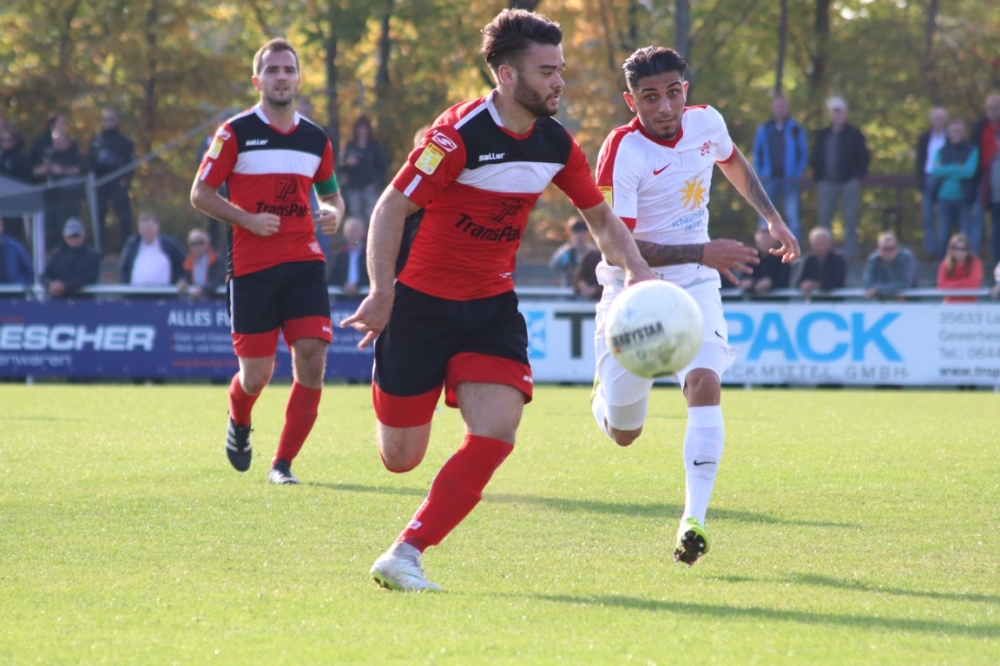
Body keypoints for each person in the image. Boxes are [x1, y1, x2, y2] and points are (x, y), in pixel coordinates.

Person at [340, 9, 656, 592]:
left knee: (497, 433)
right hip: (418, 307)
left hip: (489, 309)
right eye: (547, 71)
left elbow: (601, 219)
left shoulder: (556, 142)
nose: (560, 81)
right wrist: (382, 293)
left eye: (561, 69)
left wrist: (638, 271)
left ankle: (406, 553)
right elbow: (389, 207)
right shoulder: (457, 135)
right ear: (508, 75)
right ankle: (398, 383)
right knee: (401, 458)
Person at [589, 45, 796, 567]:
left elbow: (731, 160)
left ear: (686, 90)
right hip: (633, 291)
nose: (663, 107)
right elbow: (616, 246)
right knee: (624, 433)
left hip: (696, 283)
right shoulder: (622, 151)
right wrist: (703, 251)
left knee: (704, 381)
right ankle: (602, 399)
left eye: (672, 93)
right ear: (631, 101)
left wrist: (771, 217)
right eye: (649, 97)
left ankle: (693, 520)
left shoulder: (707, 122)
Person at [190, 38, 345, 485]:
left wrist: (334, 213)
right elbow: (200, 194)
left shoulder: (315, 138)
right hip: (252, 268)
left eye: (289, 70)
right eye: (273, 70)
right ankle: (239, 418)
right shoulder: (234, 133)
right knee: (256, 376)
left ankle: (282, 464)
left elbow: (332, 196)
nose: (281, 77)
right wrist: (247, 220)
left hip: (304, 262)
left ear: (299, 79)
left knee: (312, 359)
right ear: (257, 81)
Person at [812, 96, 870, 259]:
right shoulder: (823, 134)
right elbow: (815, 155)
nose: (837, 115)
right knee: (824, 218)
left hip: (849, 182)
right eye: (834, 112)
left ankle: (850, 251)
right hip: (826, 182)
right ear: (830, 114)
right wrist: (818, 176)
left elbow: (864, 157)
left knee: (850, 218)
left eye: (840, 112)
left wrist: (857, 176)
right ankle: (825, 252)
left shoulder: (854, 134)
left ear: (845, 113)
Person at [751, 95, 808, 243]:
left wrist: (797, 173)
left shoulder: (795, 129)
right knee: (765, 215)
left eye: (782, 107)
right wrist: (760, 173)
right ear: (772, 108)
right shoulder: (764, 129)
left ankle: (795, 249)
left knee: (792, 216)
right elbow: (757, 153)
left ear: (787, 108)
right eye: (777, 107)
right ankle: (765, 249)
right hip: (768, 179)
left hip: (789, 179)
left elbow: (803, 154)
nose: (780, 110)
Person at [32, 124, 86, 249]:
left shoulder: (74, 154)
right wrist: (44, 170)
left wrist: (61, 170)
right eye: (55, 142)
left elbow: (80, 169)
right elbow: (35, 171)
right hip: (51, 198)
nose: (58, 145)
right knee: (51, 226)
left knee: (68, 224)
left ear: (67, 141)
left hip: (69, 199)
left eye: (60, 141)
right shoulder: (48, 155)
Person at [89, 107, 135, 253]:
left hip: (118, 183)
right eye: (105, 119)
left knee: (123, 216)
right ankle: (101, 248)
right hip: (100, 184)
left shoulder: (125, 142)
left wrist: (126, 179)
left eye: (111, 119)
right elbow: (90, 162)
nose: (108, 122)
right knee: (99, 216)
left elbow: (131, 163)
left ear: (117, 121)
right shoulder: (96, 141)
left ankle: (126, 247)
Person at [930, 119, 978, 257]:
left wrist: (946, 170)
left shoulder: (972, 150)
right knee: (943, 235)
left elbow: (969, 172)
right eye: (953, 131)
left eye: (959, 131)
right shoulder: (941, 151)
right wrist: (957, 167)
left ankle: (967, 266)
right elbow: (935, 171)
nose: (956, 134)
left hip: (964, 198)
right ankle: (943, 266)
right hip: (943, 198)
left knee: (964, 236)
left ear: (964, 133)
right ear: (948, 133)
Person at [914, 107, 949, 259]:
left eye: (942, 118)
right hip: (928, 177)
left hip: (945, 179)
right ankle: (930, 250)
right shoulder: (925, 138)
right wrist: (920, 180)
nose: (939, 121)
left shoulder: (949, 138)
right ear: (931, 120)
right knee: (928, 217)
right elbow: (919, 160)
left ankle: (943, 251)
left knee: (942, 217)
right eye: (936, 118)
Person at [339, 115, 387, 223]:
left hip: (370, 187)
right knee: (355, 217)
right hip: (354, 187)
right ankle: (356, 234)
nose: (362, 130)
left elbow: (381, 166)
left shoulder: (375, 146)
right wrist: (348, 163)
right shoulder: (350, 146)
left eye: (364, 127)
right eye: (360, 127)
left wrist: (377, 183)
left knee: (372, 216)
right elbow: (341, 166)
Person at [970, 93, 1000, 263]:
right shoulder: (980, 127)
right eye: (990, 108)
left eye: (996, 108)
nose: (993, 111)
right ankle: (976, 257)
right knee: (979, 216)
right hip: (983, 177)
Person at [118, 211, 186, 286]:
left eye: (149, 227)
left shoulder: (169, 245)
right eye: (143, 228)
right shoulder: (132, 245)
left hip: (164, 292)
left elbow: (184, 264)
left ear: (157, 227)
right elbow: (124, 269)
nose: (147, 231)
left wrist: (182, 279)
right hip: (136, 292)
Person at [40, 217, 101, 298]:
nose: (74, 240)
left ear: (83, 236)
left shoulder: (92, 255)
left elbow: (90, 277)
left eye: (77, 236)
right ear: (65, 237)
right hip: (59, 301)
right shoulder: (57, 254)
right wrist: (51, 285)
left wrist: (65, 286)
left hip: (83, 301)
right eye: (71, 237)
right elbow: (45, 276)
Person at [0, 126, 33, 244]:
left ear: (14, 141)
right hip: (3, 202)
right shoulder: (2, 158)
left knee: (15, 234)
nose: (4, 143)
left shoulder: (20, 158)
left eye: (7, 140)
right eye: (2, 140)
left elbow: (24, 179)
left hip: (17, 202)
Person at [738, 227, 792, 297]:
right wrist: (748, 282)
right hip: (753, 299)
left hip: (777, 299)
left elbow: (783, 279)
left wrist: (771, 282)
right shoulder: (752, 257)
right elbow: (745, 276)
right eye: (762, 239)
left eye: (767, 238)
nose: (765, 242)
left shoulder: (782, 257)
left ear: (774, 240)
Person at [862, 231, 916, 300]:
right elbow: (867, 283)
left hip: (908, 298)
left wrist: (878, 289)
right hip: (881, 299)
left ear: (897, 247)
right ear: (878, 249)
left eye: (891, 248)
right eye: (885, 249)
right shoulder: (874, 259)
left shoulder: (906, 258)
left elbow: (904, 283)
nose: (888, 252)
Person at [797, 226, 847, 297]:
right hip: (813, 301)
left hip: (834, 300)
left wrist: (816, 284)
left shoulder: (838, 259)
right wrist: (804, 284)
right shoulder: (808, 260)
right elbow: (798, 282)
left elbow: (839, 282)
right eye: (816, 244)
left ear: (829, 243)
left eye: (821, 243)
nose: (819, 247)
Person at [177, 227, 225, 300]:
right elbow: (185, 277)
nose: (197, 246)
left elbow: (217, 280)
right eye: (193, 244)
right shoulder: (187, 262)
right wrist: (183, 282)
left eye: (200, 242)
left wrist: (202, 290)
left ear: (207, 243)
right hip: (195, 301)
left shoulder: (217, 260)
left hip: (214, 301)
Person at [327, 215, 369, 297]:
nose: (353, 234)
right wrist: (344, 285)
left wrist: (357, 286)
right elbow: (330, 276)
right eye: (350, 230)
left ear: (363, 233)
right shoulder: (337, 253)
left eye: (356, 230)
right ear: (344, 233)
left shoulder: (368, 254)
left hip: (364, 293)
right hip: (339, 294)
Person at [548, 216, 596, 286]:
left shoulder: (592, 251)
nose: (581, 234)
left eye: (584, 230)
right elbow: (553, 266)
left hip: (589, 289)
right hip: (568, 288)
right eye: (577, 230)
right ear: (569, 231)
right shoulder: (565, 251)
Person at [936, 232, 983, 304]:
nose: (959, 252)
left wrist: (951, 285)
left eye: (962, 249)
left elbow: (973, 284)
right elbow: (941, 286)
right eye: (955, 248)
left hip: (970, 305)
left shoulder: (975, 263)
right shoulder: (945, 264)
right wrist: (965, 282)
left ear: (968, 251)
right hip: (949, 305)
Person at [0, 217, 33, 285]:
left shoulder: (14, 247)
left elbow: (29, 271)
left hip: (15, 290)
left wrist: (21, 284)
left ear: (2, 227)